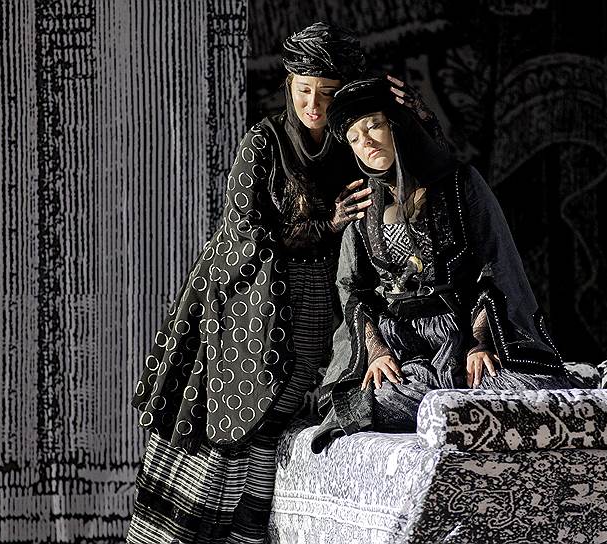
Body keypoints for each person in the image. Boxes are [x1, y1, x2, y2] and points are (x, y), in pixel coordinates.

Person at [126, 23, 373, 544]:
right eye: (303, 90)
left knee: (276, 428)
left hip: (322, 305)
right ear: (289, 85)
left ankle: (245, 534)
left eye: (327, 93)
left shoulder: (353, 145)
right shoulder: (263, 142)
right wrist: (325, 225)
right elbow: (242, 234)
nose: (313, 104)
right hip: (249, 311)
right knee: (234, 427)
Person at [311, 78, 568, 453]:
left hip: (464, 335)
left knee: (526, 395)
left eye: (373, 126)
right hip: (406, 351)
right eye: (353, 138)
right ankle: (444, 400)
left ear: (397, 125)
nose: (365, 141)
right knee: (368, 406)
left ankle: (457, 395)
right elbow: (353, 288)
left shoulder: (460, 185)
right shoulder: (363, 204)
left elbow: (494, 265)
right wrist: (377, 352)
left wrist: (480, 344)